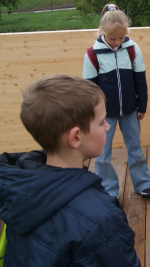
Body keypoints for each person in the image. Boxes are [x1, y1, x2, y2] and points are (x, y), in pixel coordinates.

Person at [0, 74, 141, 266]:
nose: (108, 126)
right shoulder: (102, 220)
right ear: (76, 137)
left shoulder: (16, 188)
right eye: (101, 122)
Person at [83, 8, 150, 198]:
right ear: (103, 32)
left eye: (121, 38)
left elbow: (140, 79)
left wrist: (142, 106)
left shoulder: (132, 49)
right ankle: (108, 190)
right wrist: (93, 116)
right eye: (112, 38)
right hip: (104, 116)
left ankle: (143, 184)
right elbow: (90, 89)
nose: (117, 42)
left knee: (135, 148)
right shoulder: (92, 54)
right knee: (102, 154)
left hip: (130, 111)